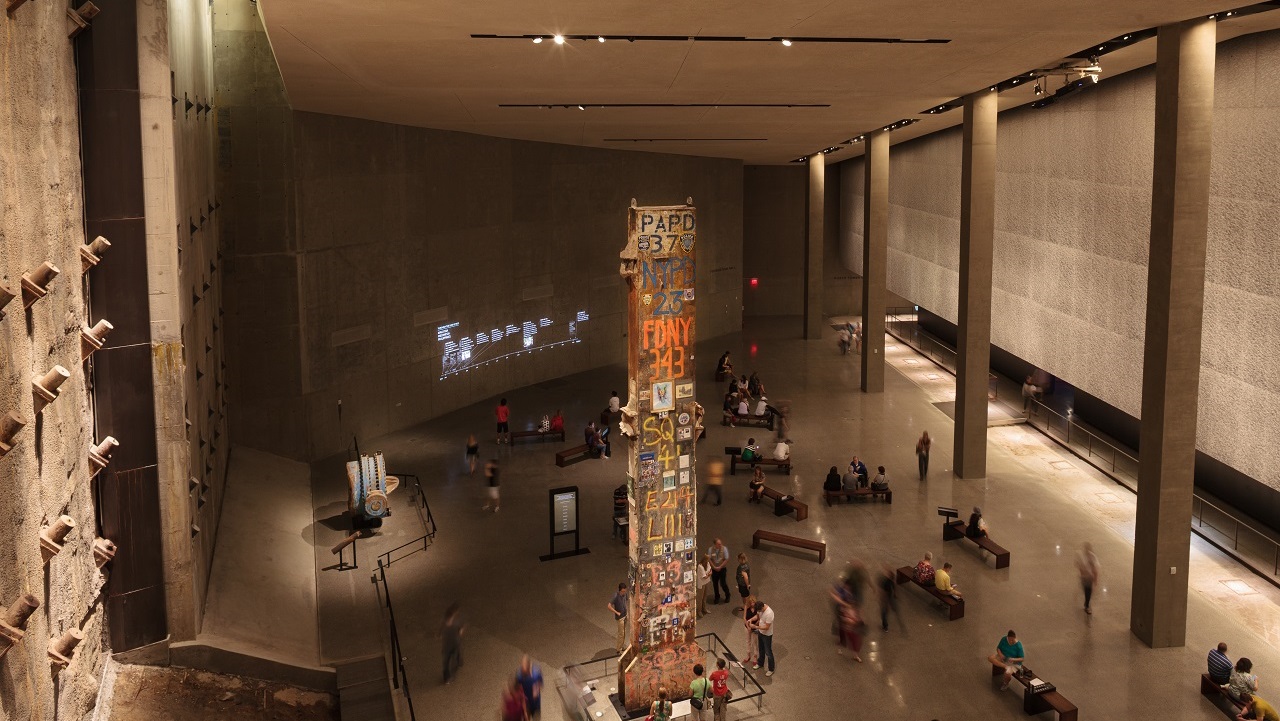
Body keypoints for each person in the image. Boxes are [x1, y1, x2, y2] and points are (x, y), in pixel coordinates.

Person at [440, 602, 464, 684]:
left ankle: (457, 662)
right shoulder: (450, 622)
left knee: (451, 661)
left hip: (453, 644)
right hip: (449, 645)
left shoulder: (455, 621)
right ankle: (447, 678)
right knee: (446, 662)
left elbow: (460, 628)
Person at [751, 600, 775, 676]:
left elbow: (767, 627)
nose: (758, 612)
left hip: (767, 635)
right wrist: (752, 620)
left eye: (759, 610)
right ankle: (760, 663)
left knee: (768, 652)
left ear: (762, 607)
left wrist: (756, 627)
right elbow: (758, 618)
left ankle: (771, 669)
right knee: (761, 649)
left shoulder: (769, 613)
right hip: (761, 632)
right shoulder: (760, 609)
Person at [1075, 543, 1100, 615]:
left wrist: (1095, 579)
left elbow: (1095, 569)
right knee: (1086, 590)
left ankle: (1087, 605)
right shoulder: (1081, 556)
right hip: (1084, 577)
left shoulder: (1093, 557)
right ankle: (1087, 604)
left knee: (1088, 591)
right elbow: (1078, 564)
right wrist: (1082, 572)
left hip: (1089, 577)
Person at [877, 563, 900, 632]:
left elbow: (883, 592)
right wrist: (895, 593)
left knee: (883, 613)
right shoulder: (892, 579)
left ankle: (885, 626)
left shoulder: (885, 582)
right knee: (889, 607)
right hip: (890, 596)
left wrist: (880, 599)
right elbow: (894, 585)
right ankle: (893, 608)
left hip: (886, 599)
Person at [607, 583, 628, 654]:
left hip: (625, 615)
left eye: (625, 591)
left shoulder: (625, 594)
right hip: (620, 618)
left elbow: (626, 601)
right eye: (622, 591)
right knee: (621, 634)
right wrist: (616, 612)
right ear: (619, 591)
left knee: (624, 632)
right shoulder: (615, 596)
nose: (624, 593)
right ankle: (618, 649)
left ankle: (621, 646)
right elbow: (609, 606)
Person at [709, 539, 731, 604]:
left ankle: (728, 595)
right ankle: (717, 597)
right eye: (719, 544)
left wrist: (720, 567)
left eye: (720, 543)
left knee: (723, 583)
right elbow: (709, 559)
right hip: (714, 569)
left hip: (722, 569)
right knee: (715, 584)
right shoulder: (710, 549)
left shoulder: (724, 549)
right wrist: (713, 567)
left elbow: (726, 559)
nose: (720, 545)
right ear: (715, 544)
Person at [741, 594, 759, 668]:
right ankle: (748, 655)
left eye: (753, 602)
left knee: (755, 642)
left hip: (755, 627)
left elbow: (759, 618)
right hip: (747, 627)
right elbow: (744, 618)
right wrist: (748, 626)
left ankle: (755, 656)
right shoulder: (746, 607)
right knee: (748, 641)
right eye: (751, 602)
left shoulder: (757, 608)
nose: (752, 604)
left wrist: (754, 626)